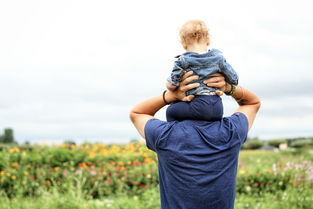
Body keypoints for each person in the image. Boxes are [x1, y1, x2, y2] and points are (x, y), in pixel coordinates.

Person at [130, 71, 261, 209]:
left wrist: (169, 96)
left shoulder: (165, 135)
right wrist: (229, 88)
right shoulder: (231, 132)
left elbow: (138, 113)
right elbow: (252, 103)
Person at [166, 20, 238, 122]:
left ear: (183, 44)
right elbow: (234, 79)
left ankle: (175, 135)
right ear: (208, 41)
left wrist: (169, 84)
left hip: (197, 105)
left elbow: (172, 85)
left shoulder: (182, 61)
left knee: (171, 111)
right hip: (217, 107)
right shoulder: (219, 59)